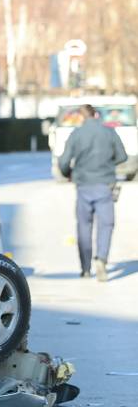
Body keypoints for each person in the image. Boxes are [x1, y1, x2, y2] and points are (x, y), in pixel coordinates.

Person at [58, 104, 128, 281]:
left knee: (84, 226)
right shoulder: (109, 132)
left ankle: (86, 268)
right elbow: (122, 156)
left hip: (83, 185)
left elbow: (64, 162)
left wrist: (70, 174)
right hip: (105, 184)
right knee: (106, 225)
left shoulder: (76, 134)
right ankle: (101, 259)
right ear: (96, 115)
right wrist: (108, 164)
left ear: (81, 117)